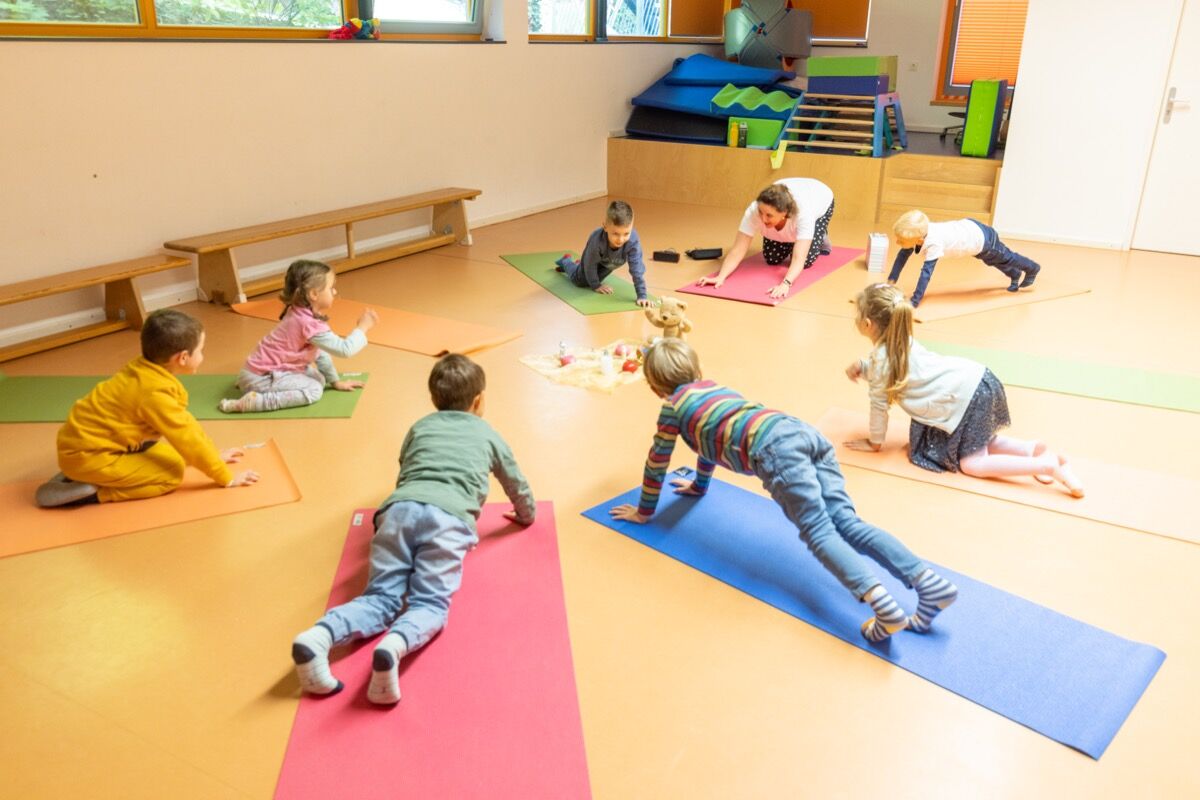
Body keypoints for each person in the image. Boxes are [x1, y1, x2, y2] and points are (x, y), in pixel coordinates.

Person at [609, 339, 957, 642]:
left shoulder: (672, 408)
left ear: (655, 387)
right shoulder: (715, 389)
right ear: (697, 371)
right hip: (803, 433)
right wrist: (699, 485)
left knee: (819, 531)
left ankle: (882, 606)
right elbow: (710, 439)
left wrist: (645, 510)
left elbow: (658, 460)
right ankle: (929, 584)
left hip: (775, 451)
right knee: (847, 523)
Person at [291, 353, 536, 704]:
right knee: (430, 604)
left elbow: (406, 467)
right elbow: (515, 481)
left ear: (433, 398)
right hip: (448, 520)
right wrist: (526, 515)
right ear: (479, 400)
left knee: (380, 598)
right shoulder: (488, 434)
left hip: (398, 511)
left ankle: (318, 637)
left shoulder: (420, 427)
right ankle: (395, 645)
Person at [846, 283, 1084, 497]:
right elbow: (895, 373)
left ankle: (1047, 467)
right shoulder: (902, 341)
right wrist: (865, 368)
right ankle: (1033, 450)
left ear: (867, 324)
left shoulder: (883, 358)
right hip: (979, 380)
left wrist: (875, 442)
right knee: (976, 440)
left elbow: (879, 403)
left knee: (971, 463)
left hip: (966, 399)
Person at [34, 309, 260, 507]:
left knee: (172, 456)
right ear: (183, 357)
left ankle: (80, 472)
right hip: (89, 456)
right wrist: (226, 477)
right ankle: (92, 493)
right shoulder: (155, 394)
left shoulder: (143, 368)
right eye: (200, 350)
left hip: (82, 446)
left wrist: (213, 456)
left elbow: (188, 432)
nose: (202, 355)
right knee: (170, 476)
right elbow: (188, 438)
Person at [219, 259, 377, 413]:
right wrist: (362, 327)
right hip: (261, 377)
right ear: (314, 294)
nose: (335, 292)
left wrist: (335, 382)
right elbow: (344, 350)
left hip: (258, 371)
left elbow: (320, 353)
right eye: (331, 288)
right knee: (315, 390)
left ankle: (250, 384)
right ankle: (254, 401)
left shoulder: (299, 311)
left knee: (320, 379)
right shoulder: (308, 323)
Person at [697, 177, 834, 299]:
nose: (763, 219)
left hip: (820, 198)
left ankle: (817, 234)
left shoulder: (804, 214)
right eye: (761, 212)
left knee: (806, 261)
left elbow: (799, 258)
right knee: (772, 258)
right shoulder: (754, 210)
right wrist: (720, 277)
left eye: (769, 215)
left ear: (784, 213)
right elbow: (738, 249)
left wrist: (786, 284)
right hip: (790, 219)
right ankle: (793, 235)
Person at [888, 209, 1040, 308]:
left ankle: (1032, 268)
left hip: (982, 239)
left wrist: (914, 301)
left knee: (1007, 258)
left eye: (901, 240)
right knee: (992, 260)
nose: (897, 242)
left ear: (919, 239)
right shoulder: (921, 232)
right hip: (972, 236)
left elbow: (926, 274)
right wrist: (891, 281)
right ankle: (1015, 274)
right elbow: (902, 256)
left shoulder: (934, 243)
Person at [555, 200, 651, 308]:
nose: (620, 239)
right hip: (592, 260)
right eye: (615, 234)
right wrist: (596, 286)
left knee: (593, 277)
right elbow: (590, 265)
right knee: (580, 281)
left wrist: (642, 295)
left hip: (609, 263)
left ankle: (579, 265)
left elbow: (636, 269)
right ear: (605, 226)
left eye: (626, 234)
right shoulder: (596, 241)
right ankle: (566, 261)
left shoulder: (633, 241)